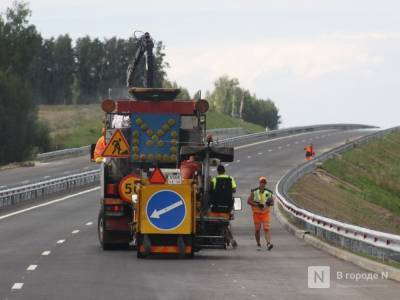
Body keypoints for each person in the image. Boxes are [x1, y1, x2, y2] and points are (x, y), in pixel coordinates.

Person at [210, 164, 238, 248]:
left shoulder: (214, 179)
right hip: (227, 206)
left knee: (215, 222)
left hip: (216, 206)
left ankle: (216, 236)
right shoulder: (230, 178)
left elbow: (210, 192)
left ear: (218, 171)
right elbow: (234, 190)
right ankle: (230, 239)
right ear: (224, 170)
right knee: (225, 224)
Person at [247, 176, 274, 251]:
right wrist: (257, 204)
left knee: (266, 229)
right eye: (262, 182)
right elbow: (249, 201)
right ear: (259, 183)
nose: (263, 184)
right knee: (257, 230)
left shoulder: (268, 192)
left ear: (265, 184)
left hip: (265, 214)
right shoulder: (254, 192)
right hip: (257, 214)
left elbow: (272, 203)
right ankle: (258, 243)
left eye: (264, 183)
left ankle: (268, 243)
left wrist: (269, 203)